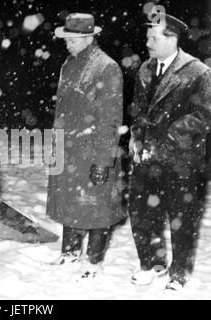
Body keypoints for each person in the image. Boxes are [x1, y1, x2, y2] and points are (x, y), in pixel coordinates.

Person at [128, 12, 211, 290]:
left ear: (172, 39)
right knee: (142, 214)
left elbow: (205, 114)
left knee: (181, 219)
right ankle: (153, 263)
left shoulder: (198, 71)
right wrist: (135, 136)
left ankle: (179, 273)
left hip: (181, 161)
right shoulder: (145, 69)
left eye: (154, 37)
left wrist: (174, 131)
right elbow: (138, 110)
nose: (147, 41)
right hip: (146, 157)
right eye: (148, 36)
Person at [47, 13, 125, 279]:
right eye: (66, 37)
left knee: (97, 205)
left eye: (73, 38)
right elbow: (62, 110)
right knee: (70, 200)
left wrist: (103, 160)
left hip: (93, 148)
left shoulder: (107, 67)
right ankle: (69, 253)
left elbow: (110, 119)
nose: (67, 42)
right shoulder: (68, 64)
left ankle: (93, 261)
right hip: (69, 148)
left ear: (89, 38)